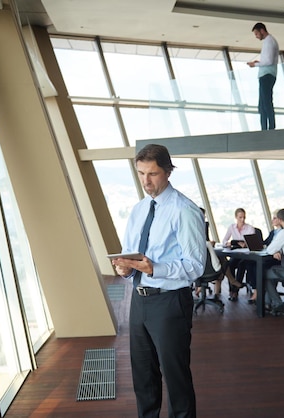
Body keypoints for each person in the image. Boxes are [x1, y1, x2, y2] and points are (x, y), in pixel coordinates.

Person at [111, 144, 205, 418]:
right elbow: (130, 251)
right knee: (143, 377)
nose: (146, 181)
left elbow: (196, 266)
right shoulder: (139, 210)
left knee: (176, 379)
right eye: (141, 173)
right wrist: (125, 269)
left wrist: (155, 268)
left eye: (152, 174)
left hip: (170, 302)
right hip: (139, 301)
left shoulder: (184, 210)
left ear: (168, 172)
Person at [247, 22, 279, 131]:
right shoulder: (268, 41)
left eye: (256, 33)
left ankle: (270, 129)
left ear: (262, 31)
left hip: (267, 75)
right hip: (266, 74)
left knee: (266, 103)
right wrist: (259, 62)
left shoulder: (269, 41)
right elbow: (267, 60)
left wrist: (255, 64)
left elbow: (269, 61)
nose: (256, 36)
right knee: (262, 105)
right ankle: (265, 129)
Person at [222, 208, 255, 301]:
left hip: (247, 255)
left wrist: (245, 244)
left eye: (244, 217)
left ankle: (235, 291)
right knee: (230, 265)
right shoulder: (232, 227)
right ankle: (232, 289)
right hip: (236, 253)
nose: (242, 220)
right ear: (236, 217)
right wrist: (228, 243)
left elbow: (253, 243)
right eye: (240, 217)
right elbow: (224, 241)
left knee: (241, 265)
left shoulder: (250, 228)